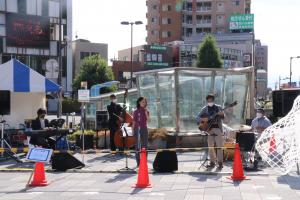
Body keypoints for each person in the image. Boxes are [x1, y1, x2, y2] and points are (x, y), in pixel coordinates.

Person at [197, 94, 225, 169]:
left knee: (219, 147)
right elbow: (197, 117)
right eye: (208, 101)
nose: (210, 102)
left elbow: (223, 118)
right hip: (209, 130)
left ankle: (220, 163)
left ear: (213, 100)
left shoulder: (218, 107)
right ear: (207, 101)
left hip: (218, 129)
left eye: (211, 100)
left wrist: (221, 114)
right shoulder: (205, 108)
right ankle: (212, 162)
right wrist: (203, 119)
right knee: (210, 147)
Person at [132, 97, 150, 167]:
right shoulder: (135, 111)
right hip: (137, 129)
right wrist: (133, 130)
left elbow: (148, 120)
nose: (144, 103)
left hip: (144, 129)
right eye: (142, 102)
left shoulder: (146, 111)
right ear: (139, 102)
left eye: (145, 102)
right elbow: (134, 121)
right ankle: (138, 163)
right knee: (137, 146)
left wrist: (146, 113)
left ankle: (144, 162)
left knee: (145, 146)